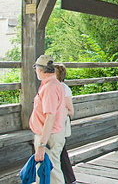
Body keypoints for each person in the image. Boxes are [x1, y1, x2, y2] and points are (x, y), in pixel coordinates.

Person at [30, 55, 67, 184]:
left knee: (52, 172)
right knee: (46, 171)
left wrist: (41, 145)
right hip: (52, 134)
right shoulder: (54, 83)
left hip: (49, 136)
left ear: (40, 70)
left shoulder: (49, 87)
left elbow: (50, 117)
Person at [54, 64, 77, 184]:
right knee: (59, 152)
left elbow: (71, 111)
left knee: (61, 151)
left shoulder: (63, 88)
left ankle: (69, 179)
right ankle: (67, 179)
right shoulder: (50, 87)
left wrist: (56, 112)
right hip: (53, 124)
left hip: (60, 124)